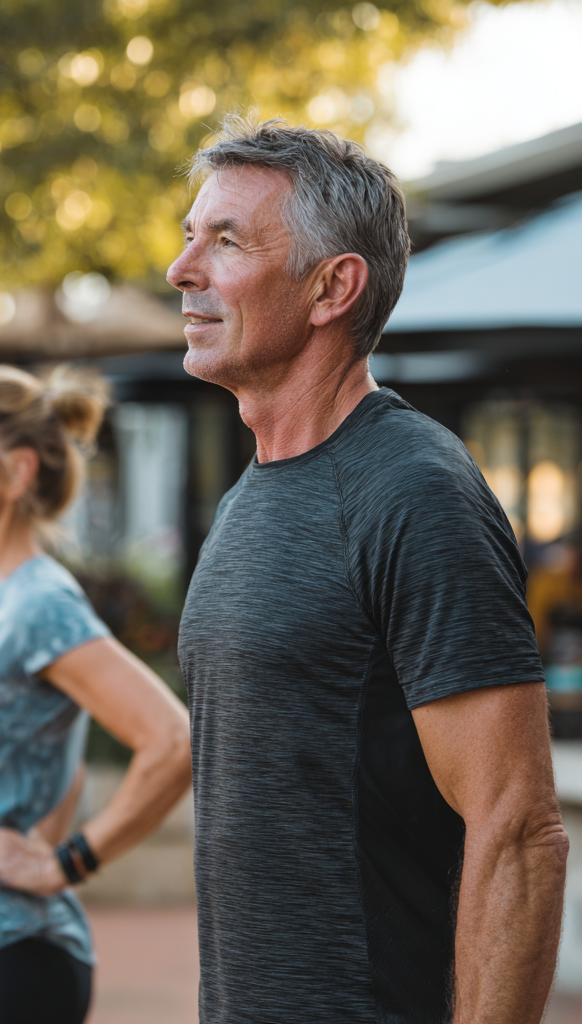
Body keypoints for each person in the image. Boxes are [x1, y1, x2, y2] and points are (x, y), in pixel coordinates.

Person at [166, 111, 566, 1024]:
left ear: (331, 287)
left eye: (225, 241)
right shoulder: (252, 495)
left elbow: (521, 830)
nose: (182, 271)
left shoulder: (413, 490)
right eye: (189, 237)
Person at [0, 364, 192, 1024]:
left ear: (18, 471)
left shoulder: (38, 603)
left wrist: (67, 860)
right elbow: (61, 750)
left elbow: (171, 741)